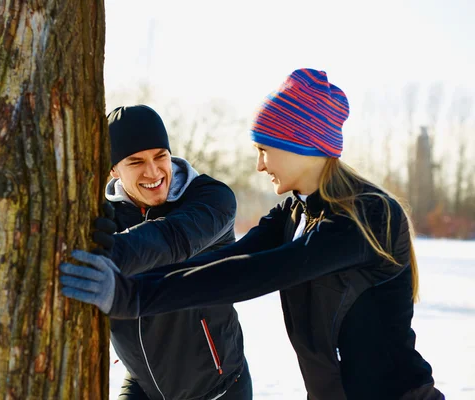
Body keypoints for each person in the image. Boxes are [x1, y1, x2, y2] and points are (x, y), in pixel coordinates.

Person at [60, 70, 445, 400]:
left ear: (301, 145)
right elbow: (224, 262)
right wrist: (127, 283)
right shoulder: (294, 213)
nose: (260, 165)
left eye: (265, 149)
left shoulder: (369, 214)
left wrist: (131, 295)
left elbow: (261, 272)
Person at [61, 104, 252, 399]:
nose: (153, 171)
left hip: (218, 387)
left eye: (160, 156)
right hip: (144, 386)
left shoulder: (211, 199)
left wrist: (110, 253)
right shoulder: (102, 215)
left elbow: (171, 238)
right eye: (136, 161)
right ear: (113, 169)